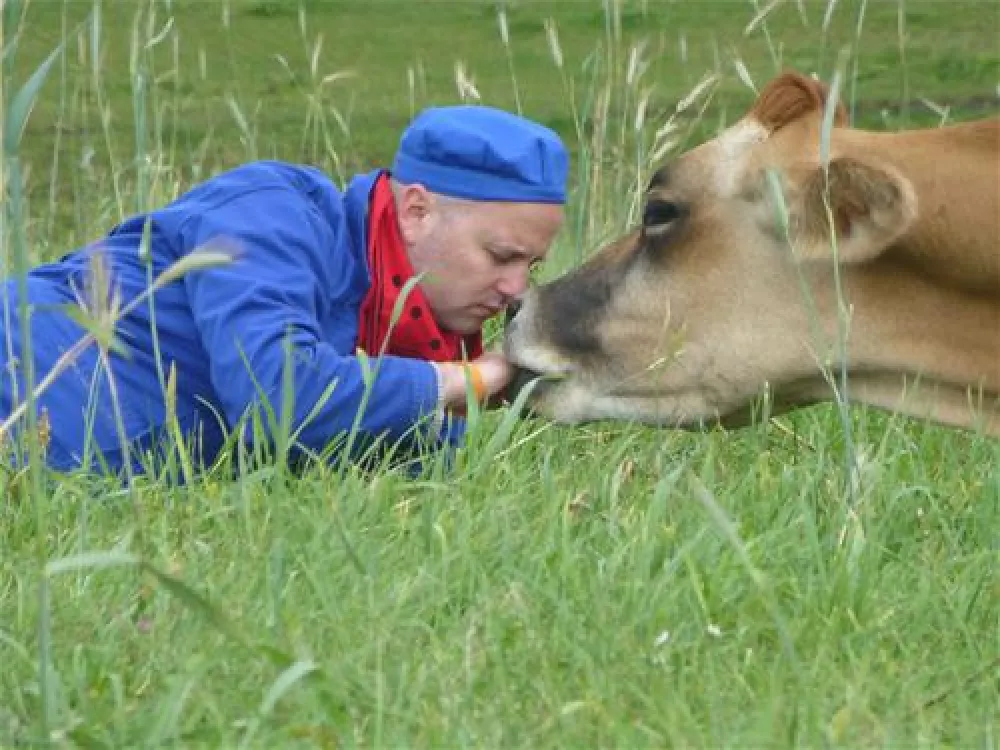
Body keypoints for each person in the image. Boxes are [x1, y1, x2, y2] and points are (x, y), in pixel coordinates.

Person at [0, 105, 569, 476]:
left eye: (532, 264)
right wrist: (466, 382)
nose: (516, 289)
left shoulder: (418, 344)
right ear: (416, 211)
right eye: (501, 256)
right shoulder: (272, 213)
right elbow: (276, 394)